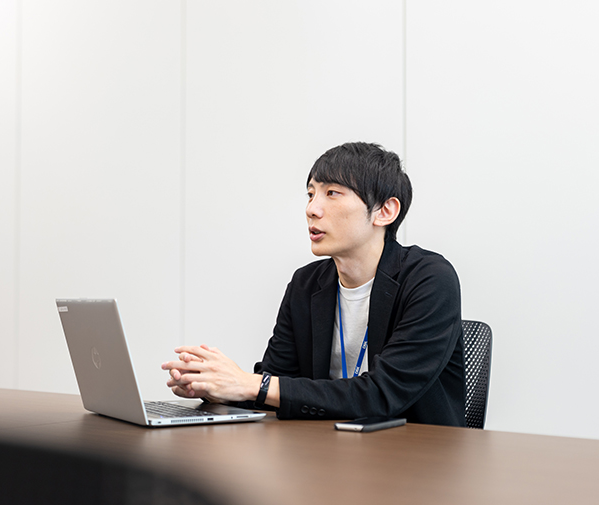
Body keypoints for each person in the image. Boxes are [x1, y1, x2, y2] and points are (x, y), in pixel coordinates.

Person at [162, 142, 465, 426]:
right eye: (310, 194)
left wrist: (252, 385)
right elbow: (277, 382)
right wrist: (217, 387)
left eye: (332, 193)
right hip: (325, 448)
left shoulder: (429, 279)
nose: (312, 209)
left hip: (415, 453)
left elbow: (382, 395)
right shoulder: (306, 284)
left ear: (384, 211)